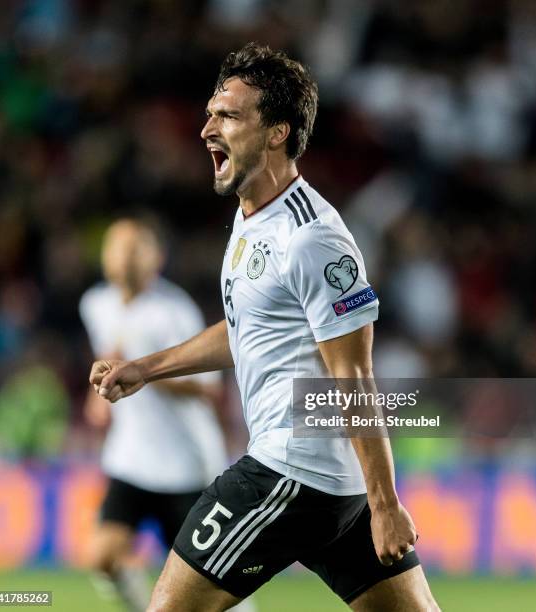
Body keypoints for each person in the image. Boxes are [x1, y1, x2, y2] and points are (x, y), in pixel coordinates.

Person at [89, 44, 440, 611]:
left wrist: (385, 502)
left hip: (291, 471)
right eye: (210, 113)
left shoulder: (314, 240)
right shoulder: (254, 217)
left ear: (277, 132)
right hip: (330, 486)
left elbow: (353, 376)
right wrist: (146, 369)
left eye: (227, 116)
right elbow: (246, 329)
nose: (206, 129)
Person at [80, 219, 233, 611]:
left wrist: (146, 373)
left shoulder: (174, 310)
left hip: (184, 464)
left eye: (135, 248)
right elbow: (108, 358)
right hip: (131, 458)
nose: (124, 257)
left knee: (206, 581)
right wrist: (100, 394)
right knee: (102, 555)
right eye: (117, 248)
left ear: (156, 258)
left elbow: (209, 387)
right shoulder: (95, 304)